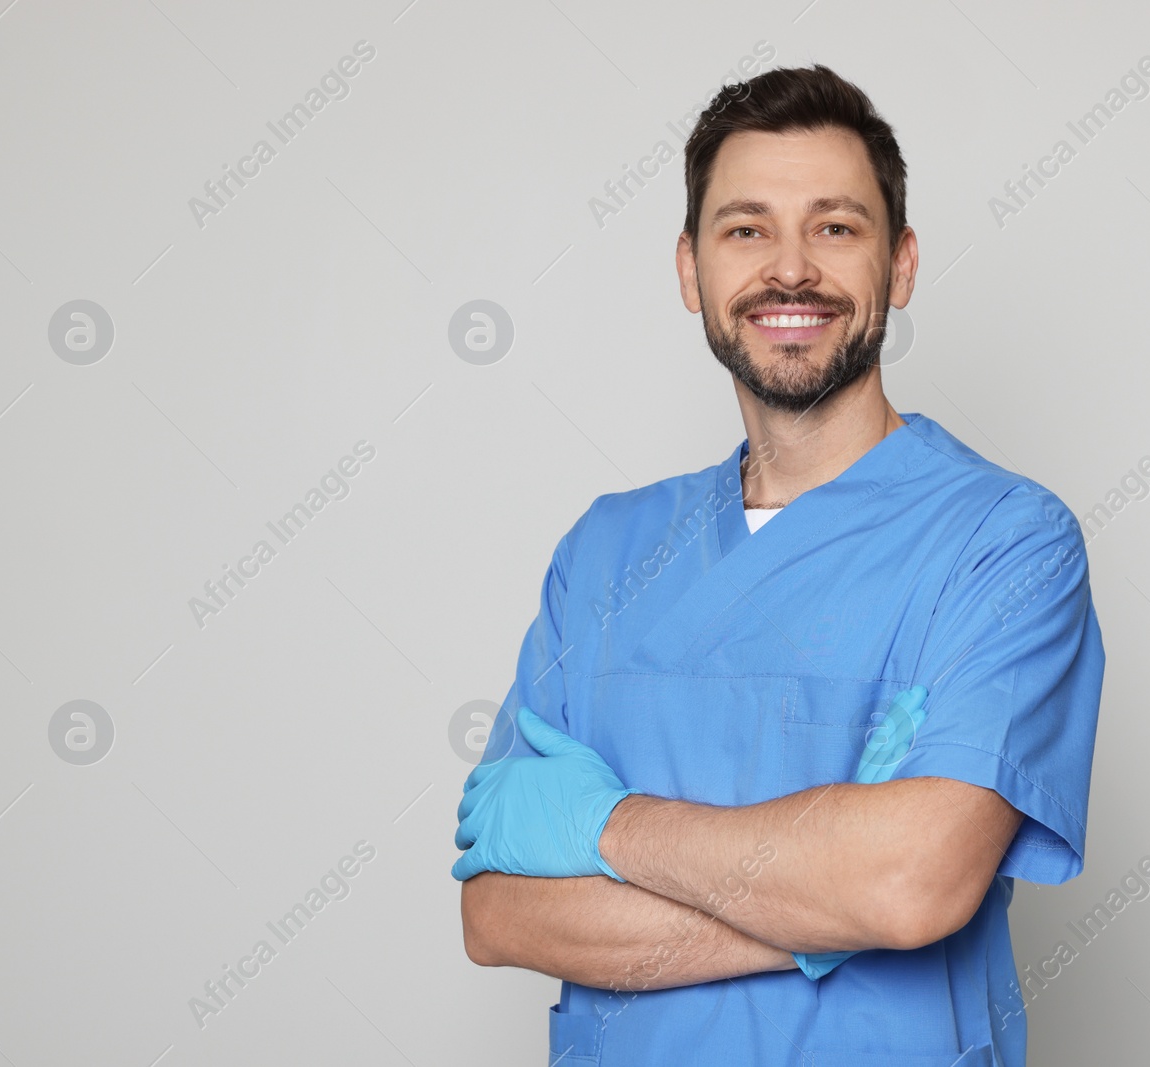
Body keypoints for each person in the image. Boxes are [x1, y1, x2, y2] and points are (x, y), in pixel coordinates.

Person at [453, 63, 1104, 1067]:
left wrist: (605, 826)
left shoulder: (1003, 543)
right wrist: (821, 906)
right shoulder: (604, 553)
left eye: (836, 226)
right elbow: (499, 913)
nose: (789, 269)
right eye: (746, 227)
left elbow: (909, 885)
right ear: (690, 268)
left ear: (901, 265)